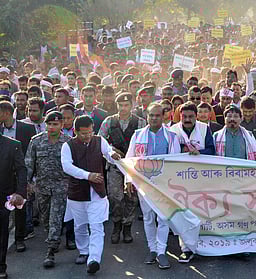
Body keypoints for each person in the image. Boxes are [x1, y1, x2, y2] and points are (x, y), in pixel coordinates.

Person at [125, 102, 184, 269]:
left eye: (158, 115)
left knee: (163, 218)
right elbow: (130, 159)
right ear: (147, 117)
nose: (154, 118)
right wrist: (128, 180)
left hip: (164, 184)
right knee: (148, 218)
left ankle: (161, 251)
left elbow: (175, 162)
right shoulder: (138, 135)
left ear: (163, 116)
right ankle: (152, 249)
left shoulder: (171, 136)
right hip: (144, 184)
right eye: (151, 115)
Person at [61, 115, 121, 274]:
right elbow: (67, 167)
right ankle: (84, 251)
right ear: (75, 131)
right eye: (83, 133)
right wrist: (88, 175)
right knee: (80, 226)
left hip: (97, 193)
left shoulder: (99, 141)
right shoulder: (68, 146)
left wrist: (113, 156)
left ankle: (94, 259)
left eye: (89, 132)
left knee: (97, 226)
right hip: (77, 193)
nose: (87, 136)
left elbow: (108, 153)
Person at [98, 92, 147, 244]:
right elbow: (100, 140)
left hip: (133, 167)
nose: (123, 108)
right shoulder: (109, 121)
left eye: (126, 105)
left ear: (132, 106)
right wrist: (112, 150)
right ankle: (117, 225)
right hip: (114, 165)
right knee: (115, 197)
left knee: (131, 198)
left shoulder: (140, 122)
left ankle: (127, 227)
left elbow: (144, 142)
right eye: (121, 105)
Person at [24, 111, 71, 268]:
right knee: (45, 218)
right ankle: (52, 236)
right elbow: (30, 163)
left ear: (61, 125)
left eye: (55, 124)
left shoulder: (68, 142)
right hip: (42, 187)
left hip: (61, 187)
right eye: (49, 124)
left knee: (55, 217)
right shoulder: (36, 141)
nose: (52, 127)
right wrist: (27, 184)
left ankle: (50, 250)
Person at [0, 100, 36, 252]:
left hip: (20, 175)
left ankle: (20, 238)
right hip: (4, 176)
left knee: (20, 208)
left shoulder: (26, 128)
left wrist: (30, 179)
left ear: (6, 112)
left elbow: (33, 152)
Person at [0, 133, 27, 278]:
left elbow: (21, 170)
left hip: (3, 196)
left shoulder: (12, 145)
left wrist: (20, 193)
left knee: (2, 231)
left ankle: (1, 266)